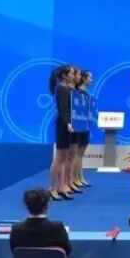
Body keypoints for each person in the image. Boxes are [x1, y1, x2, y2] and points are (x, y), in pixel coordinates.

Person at [48, 64, 75, 201]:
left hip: (68, 123)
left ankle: (61, 186)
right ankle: (52, 187)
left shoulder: (68, 88)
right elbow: (63, 108)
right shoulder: (61, 88)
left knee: (64, 158)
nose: (73, 76)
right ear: (64, 75)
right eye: (71, 73)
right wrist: (68, 123)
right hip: (63, 124)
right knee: (59, 157)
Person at [71, 69, 93, 192]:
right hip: (79, 126)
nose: (91, 80)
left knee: (81, 154)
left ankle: (80, 177)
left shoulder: (87, 94)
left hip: (86, 125)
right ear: (84, 78)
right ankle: (74, 178)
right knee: (77, 154)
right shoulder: (77, 92)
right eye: (90, 77)